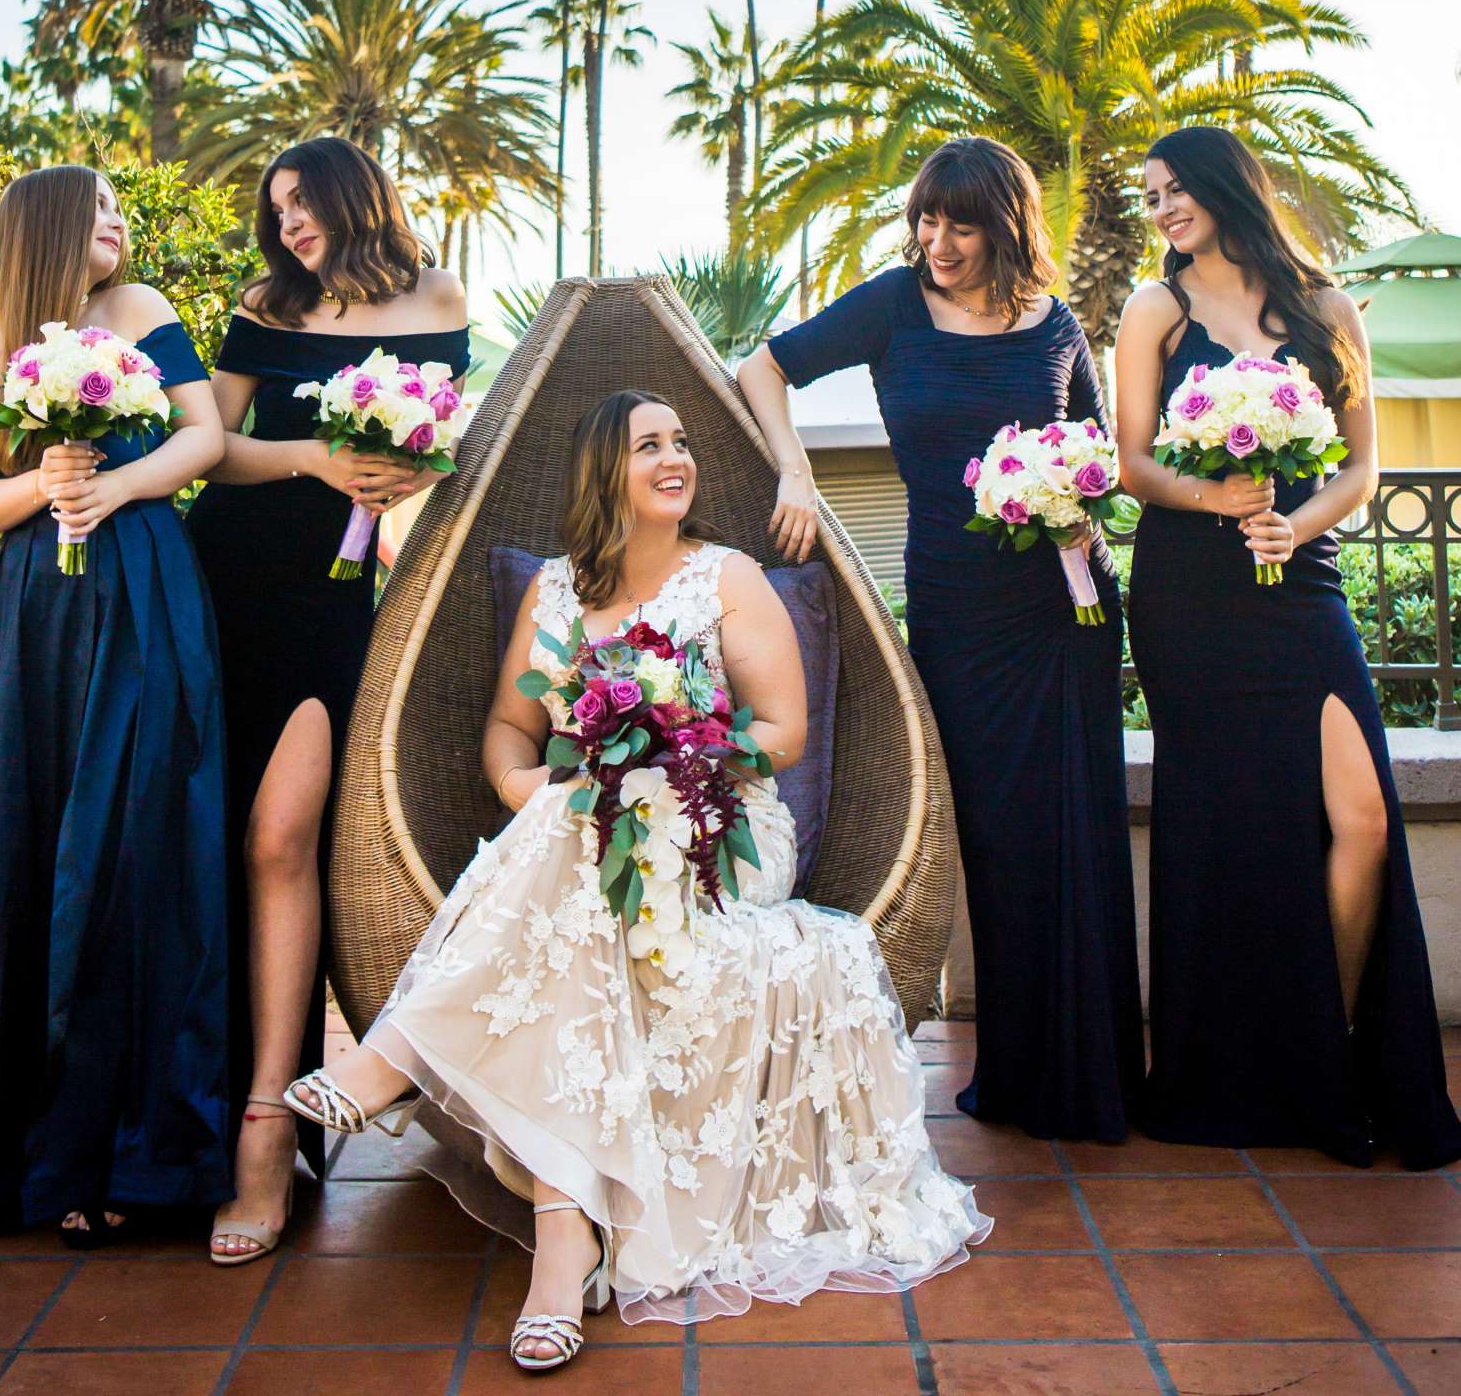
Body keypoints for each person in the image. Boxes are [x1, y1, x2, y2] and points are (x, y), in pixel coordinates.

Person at [281, 391, 989, 1364]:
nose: (675, 458)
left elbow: (780, 734)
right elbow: (508, 727)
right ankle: (563, 1247)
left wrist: (673, 749)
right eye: (649, 444)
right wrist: (522, 780)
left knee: (598, 808)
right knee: (578, 816)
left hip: (723, 829)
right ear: (601, 472)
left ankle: (395, 1058)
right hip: (587, 834)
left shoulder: (728, 579)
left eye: (680, 442)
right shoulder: (556, 595)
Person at [737, 136, 1143, 1142]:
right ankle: (1019, 1071)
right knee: (999, 838)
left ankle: (1092, 1075)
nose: (936, 239)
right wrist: (797, 476)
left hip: (1068, 609)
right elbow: (762, 369)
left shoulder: (1055, 327)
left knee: (1078, 829)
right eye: (925, 218)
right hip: (961, 614)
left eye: (958, 222)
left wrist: (1077, 501)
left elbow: (1097, 453)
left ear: (1003, 223)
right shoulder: (891, 305)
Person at [1116, 125, 1461, 1167]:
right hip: (1188, 593)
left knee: (1358, 816)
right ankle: (1244, 1073)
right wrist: (1213, 495)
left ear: (1226, 185)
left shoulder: (1327, 308)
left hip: (1298, 583)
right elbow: (1132, 462)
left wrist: (1293, 525)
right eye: (1150, 197)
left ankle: (1334, 1052)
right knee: (1224, 832)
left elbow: (1360, 468)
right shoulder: (1154, 309)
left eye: (1175, 189)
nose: (1163, 209)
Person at [0, 166, 229, 1240]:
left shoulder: (139, 313)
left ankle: (138, 1159)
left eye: (120, 211)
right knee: (28, 839)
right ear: (44, 224)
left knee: (140, 843)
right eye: (98, 210)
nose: (118, 224)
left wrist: (119, 485)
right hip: (38, 609)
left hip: (144, 587)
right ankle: (21, 1160)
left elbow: (204, 438)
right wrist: (44, 486)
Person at [186, 136, 470, 1264]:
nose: (291, 223)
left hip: (333, 593)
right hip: (224, 582)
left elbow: (441, 446)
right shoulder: (268, 305)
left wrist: (408, 470)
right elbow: (206, 447)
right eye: (279, 208)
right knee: (209, 847)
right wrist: (310, 455)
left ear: (356, 197)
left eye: (304, 201)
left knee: (279, 839)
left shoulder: (437, 295)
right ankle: (203, 1125)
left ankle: (270, 1126)